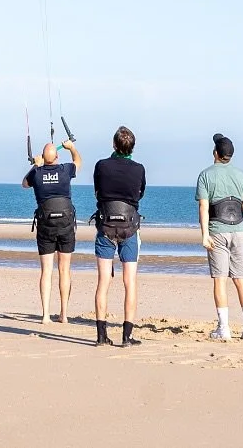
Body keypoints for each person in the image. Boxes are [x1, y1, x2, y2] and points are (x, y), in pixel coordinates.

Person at [197, 132, 243, 340]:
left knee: (220, 280)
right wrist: (234, 207)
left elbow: (204, 207)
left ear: (215, 153)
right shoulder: (242, 175)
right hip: (239, 231)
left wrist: (205, 234)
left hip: (217, 230)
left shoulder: (206, 175)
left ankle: (224, 328)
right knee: (241, 280)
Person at [92, 125, 146, 346]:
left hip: (105, 225)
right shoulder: (139, 169)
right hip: (130, 227)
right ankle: (127, 335)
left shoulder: (101, 166)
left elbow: (97, 190)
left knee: (104, 280)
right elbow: (140, 193)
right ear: (132, 147)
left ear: (114, 145)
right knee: (129, 281)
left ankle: (101, 335)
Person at [23, 135, 83, 324]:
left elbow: (24, 183)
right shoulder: (65, 170)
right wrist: (71, 148)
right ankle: (63, 315)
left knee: (46, 270)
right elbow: (78, 162)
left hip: (46, 224)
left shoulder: (37, 173)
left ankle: (46, 315)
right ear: (56, 158)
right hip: (64, 224)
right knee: (64, 269)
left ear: (43, 157)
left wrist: (36, 166)